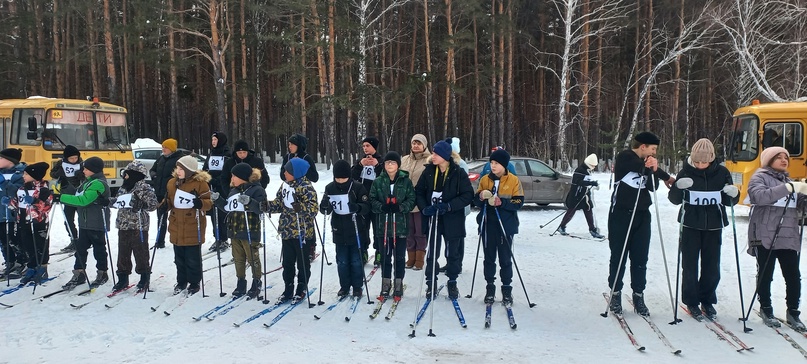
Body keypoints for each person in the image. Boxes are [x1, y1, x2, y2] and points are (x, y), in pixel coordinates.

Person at [668, 139, 739, 319]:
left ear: (712, 159)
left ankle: (707, 299)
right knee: (689, 265)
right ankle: (691, 301)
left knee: (712, 266)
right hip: (691, 224)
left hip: (714, 225)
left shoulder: (722, 172)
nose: (700, 165)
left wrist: (733, 194)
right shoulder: (685, 171)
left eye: (704, 162)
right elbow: (675, 199)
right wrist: (677, 187)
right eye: (697, 161)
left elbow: (729, 201)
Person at [606, 131, 674, 316]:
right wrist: (665, 175)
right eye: (652, 149)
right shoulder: (625, 158)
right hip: (621, 215)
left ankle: (638, 294)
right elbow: (639, 166)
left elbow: (652, 186)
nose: (654, 153)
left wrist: (655, 172)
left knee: (640, 258)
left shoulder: (647, 163)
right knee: (618, 256)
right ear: (642, 147)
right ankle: (615, 293)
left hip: (642, 216)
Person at [746, 146, 807, 330]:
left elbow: (801, 208)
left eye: (786, 157)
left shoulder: (790, 181)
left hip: (787, 235)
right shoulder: (759, 177)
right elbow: (759, 196)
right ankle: (766, 308)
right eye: (778, 157)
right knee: (766, 272)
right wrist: (787, 188)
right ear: (768, 160)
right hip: (763, 234)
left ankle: (793, 312)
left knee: (793, 275)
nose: (784, 160)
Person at [415, 140, 473, 299]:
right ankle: (430, 283)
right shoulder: (428, 171)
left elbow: (468, 195)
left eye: (436, 153)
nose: (433, 156)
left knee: (452, 253)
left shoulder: (458, 172)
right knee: (432, 252)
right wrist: (424, 207)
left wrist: (449, 206)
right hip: (433, 217)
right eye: (433, 153)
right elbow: (418, 192)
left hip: (452, 219)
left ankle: (452, 282)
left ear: (445, 156)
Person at [262, 158, 318, 303]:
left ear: (296, 172)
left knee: (302, 263)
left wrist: (301, 207)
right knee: (287, 263)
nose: (284, 172)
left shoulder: (306, 187)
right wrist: (266, 206)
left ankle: (301, 288)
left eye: (288, 170)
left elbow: (313, 209)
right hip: (287, 230)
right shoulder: (285, 185)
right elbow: (279, 204)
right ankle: (288, 288)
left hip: (302, 233)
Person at [472, 148, 524, 304]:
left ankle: (507, 289)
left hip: (506, 225)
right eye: (492, 163)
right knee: (489, 258)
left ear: (504, 165)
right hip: (488, 223)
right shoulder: (485, 179)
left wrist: (503, 202)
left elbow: (519, 202)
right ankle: (490, 288)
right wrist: (480, 197)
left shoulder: (514, 180)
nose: (493, 166)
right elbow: (476, 201)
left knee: (505, 259)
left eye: (496, 163)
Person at [214, 162, 267, 299]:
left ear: (242, 177)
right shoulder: (233, 191)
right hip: (235, 230)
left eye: (234, 176)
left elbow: (261, 208)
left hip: (250, 230)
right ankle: (241, 281)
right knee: (238, 258)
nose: (231, 178)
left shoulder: (257, 190)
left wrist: (250, 202)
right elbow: (227, 208)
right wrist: (218, 200)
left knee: (252, 257)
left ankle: (257, 282)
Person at [320, 160, 371, 298]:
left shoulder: (358, 187)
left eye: (343, 178)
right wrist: (324, 206)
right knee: (342, 261)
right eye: (337, 178)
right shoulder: (330, 188)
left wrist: (358, 207)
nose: (340, 181)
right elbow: (326, 209)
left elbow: (367, 207)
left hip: (356, 229)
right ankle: (344, 286)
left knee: (355, 260)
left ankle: (357, 286)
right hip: (339, 229)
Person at [60, 156, 112, 290]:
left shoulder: (99, 183)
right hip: (85, 222)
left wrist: (61, 197)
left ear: (93, 170)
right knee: (80, 249)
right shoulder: (88, 182)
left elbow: (84, 200)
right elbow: (77, 194)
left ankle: (102, 273)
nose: (83, 170)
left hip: (96, 222)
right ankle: (79, 273)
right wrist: (64, 187)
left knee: (99, 249)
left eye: (86, 169)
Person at [369, 151, 415, 301]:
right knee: (385, 257)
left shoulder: (405, 181)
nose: (390, 165)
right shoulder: (378, 181)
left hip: (400, 226)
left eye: (393, 162)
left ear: (398, 165)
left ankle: (398, 284)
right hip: (383, 226)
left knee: (399, 257)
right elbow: (372, 199)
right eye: (388, 162)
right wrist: (381, 207)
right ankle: (385, 283)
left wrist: (401, 207)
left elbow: (412, 199)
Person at [109, 161, 159, 292]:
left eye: (127, 174)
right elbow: (119, 201)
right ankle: (122, 277)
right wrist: (109, 202)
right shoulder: (124, 187)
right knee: (123, 251)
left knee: (140, 252)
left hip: (139, 225)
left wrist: (142, 205)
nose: (124, 176)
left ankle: (144, 277)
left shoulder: (143, 187)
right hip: (123, 224)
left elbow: (154, 204)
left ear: (134, 174)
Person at [165, 155, 212, 295]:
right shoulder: (172, 183)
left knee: (192, 258)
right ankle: (181, 281)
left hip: (193, 225)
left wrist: (201, 203)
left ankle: (194, 282)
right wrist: (164, 206)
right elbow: (169, 200)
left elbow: (209, 203)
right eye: (177, 168)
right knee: (179, 258)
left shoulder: (200, 184)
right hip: (176, 225)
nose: (178, 171)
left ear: (190, 170)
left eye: (181, 169)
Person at [281, 133, 319, 261]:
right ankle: (289, 247)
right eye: (289, 144)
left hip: (304, 191)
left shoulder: (306, 157)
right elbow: (282, 174)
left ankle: (310, 247)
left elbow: (315, 177)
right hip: (290, 188)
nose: (290, 146)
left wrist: (301, 171)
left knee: (307, 220)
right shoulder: (287, 157)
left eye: (292, 144)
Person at [15, 162, 53, 285]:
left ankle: (42, 268)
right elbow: (18, 203)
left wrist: (35, 201)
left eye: (26, 174)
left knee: (40, 245)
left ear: (34, 175)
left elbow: (47, 206)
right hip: (24, 221)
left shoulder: (43, 189)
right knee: (27, 245)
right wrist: (10, 203)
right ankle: (32, 267)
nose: (23, 176)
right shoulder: (22, 188)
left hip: (39, 223)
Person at [351, 136, 384, 265]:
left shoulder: (381, 160)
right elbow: (352, 176)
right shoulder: (360, 161)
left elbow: (385, 177)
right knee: (362, 228)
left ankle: (379, 252)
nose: (365, 148)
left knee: (377, 228)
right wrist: (360, 165)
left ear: (374, 147)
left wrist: (377, 165)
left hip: (377, 200)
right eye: (363, 146)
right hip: (362, 200)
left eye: (368, 146)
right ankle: (363, 251)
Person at [400, 134, 431, 270]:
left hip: (420, 201)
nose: (416, 146)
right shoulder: (405, 159)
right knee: (409, 231)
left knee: (420, 231)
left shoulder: (429, 160)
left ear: (424, 145)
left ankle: (419, 259)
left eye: (419, 143)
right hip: (406, 201)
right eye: (414, 143)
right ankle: (410, 258)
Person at [557, 154, 605, 239]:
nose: (594, 167)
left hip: (584, 195)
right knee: (571, 211)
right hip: (576, 195)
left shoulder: (586, 170)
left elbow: (585, 181)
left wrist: (592, 183)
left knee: (588, 210)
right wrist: (590, 183)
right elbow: (578, 182)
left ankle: (592, 229)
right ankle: (562, 226)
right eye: (593, 165)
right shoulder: (579, 170)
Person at [150, 138, 183, 249]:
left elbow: (181, 175)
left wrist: (172, 181)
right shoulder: (161, 158)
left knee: (176, 217)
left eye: (166, 147)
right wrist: (154, 176)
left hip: (173, 193)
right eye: (163, 147)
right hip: (159, 192)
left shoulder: (179, 159)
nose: (163, 149)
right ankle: (160, 241)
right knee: (161, 217)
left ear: (172, 149)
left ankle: (178, 239)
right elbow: (152, 169)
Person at [50, 145, 84, 252]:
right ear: (66, 158)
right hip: (67, 195)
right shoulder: (61, 164)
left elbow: (90, 176)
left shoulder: (82, 164)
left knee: (82, 219)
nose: (74, 160)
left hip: (80, 195)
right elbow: (52, 174)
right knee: (68, 220)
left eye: (75, 158)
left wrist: (82, 176)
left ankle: (84, 240)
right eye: (71, 158)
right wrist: (59, 173)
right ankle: (74, 239)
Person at [204, 131, 232, 252]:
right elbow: (205, 168)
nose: (213, 142)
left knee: (222, 214)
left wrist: (218, 180)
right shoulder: (211, 154)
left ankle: (224, 239)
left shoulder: (227, 154)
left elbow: (227, 172)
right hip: (211, 187)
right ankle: (217, 238)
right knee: (213, 215)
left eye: (215, 140)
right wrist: (205, 178)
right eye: (212, 140)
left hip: (223, 188)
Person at [0, 148, 25, 280]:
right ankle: (9, 261)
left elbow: (17, 192)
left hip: (13, 214)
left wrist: (4, 184)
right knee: (3, 239)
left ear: (10, 161)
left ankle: (21, 262)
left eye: (1, 158)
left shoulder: (20, 174)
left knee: (14, 239)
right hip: (0, 213)